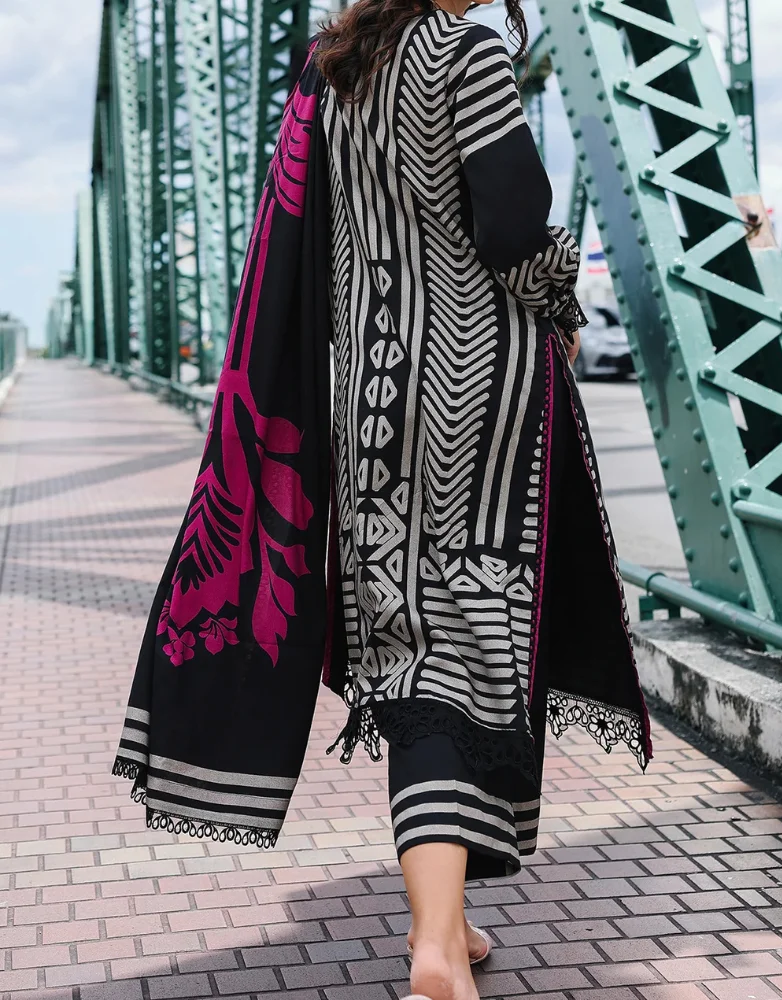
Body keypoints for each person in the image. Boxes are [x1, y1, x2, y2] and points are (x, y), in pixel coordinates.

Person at [112, 2, 652, 999]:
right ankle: (436, 943)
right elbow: (511, 226)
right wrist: (563, 302)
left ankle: (440, 928)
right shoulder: (468, 54)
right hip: (475, 395)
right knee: (476, 642)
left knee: (411, 649)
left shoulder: (339, 74)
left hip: (370, 403)